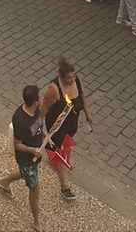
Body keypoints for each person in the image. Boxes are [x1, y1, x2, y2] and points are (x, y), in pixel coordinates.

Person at [40, 57, 92, 202]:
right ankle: (64, 186)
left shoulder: (75, 81)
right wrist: (38, 126)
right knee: (58, 150)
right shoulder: (54, 88)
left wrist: (87, 113)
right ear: (61, 77)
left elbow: (81, 95)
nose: (72, 79)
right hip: (57, 126)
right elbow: (44, 107)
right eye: (69, 77)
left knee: (65, 146)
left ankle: (57, 161)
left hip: (70, 125)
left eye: (73, 76)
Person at [0, 85, 45, 232]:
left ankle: (5, 181)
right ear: (35, 101)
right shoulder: (20, 119)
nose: (42, 97)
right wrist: (33, 150)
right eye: (39, 96)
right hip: (27, 159)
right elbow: (17, 145)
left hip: (35, 156)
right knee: (34, 188)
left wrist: (44, 138)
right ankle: (37, 222)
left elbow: (38, 128)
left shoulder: (35, 111)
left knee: (25, 174)